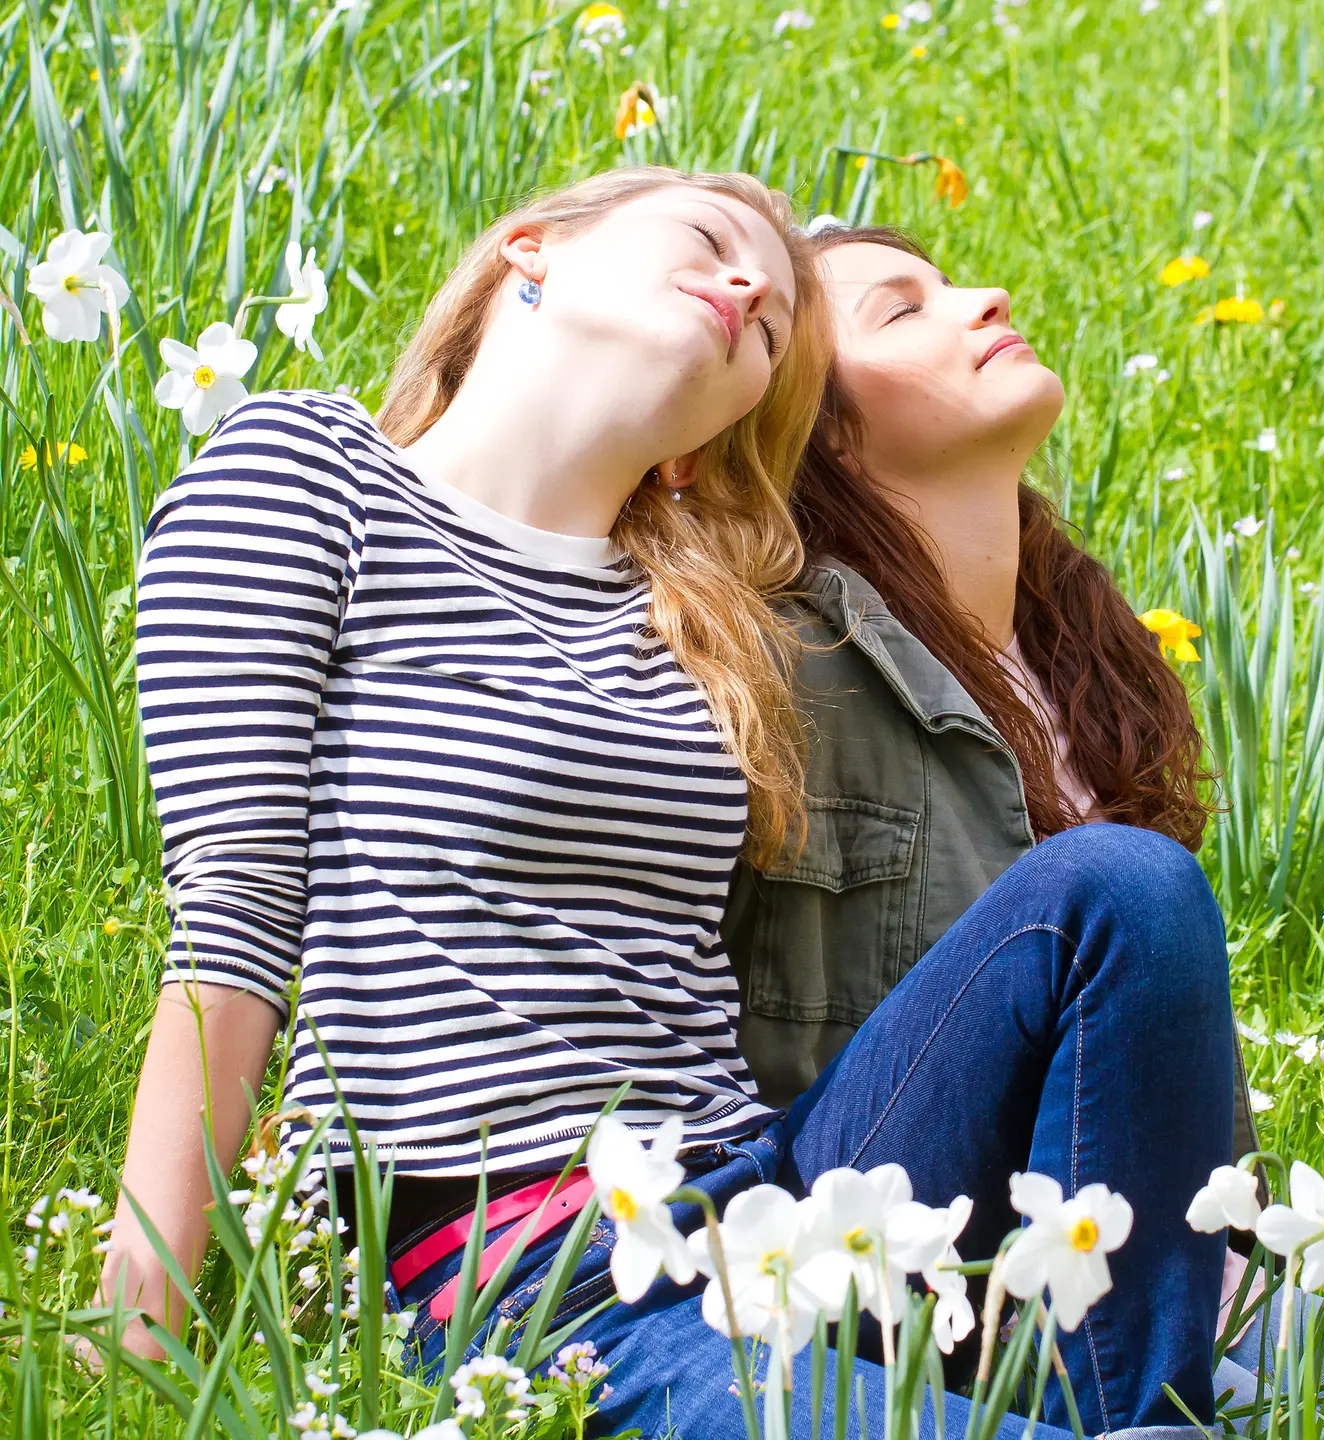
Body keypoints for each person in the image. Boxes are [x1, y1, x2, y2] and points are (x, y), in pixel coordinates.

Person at [719, 222, 1324, 1436]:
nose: (987, 293)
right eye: (903, 312)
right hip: (916, 1275)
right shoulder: (776, 664)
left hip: (1178, 1271)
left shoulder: (1078, 666)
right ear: (820, 429)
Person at [105, 165, 827, 1368]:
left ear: (697, 455)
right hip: (524, 1242)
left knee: (1115, 894)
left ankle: (1168, 1359)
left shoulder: (694, 631)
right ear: (529, 252)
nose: (749, 289)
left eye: (770, 330)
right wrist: (129, 1350)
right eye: (709, 241)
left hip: (764, 1187)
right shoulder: (312, 470)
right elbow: (231, 918)